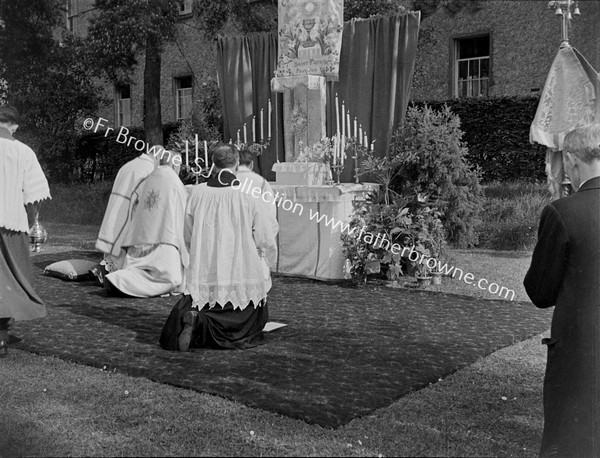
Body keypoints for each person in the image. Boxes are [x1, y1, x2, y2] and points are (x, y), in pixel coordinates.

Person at [524, 123, 600, 458]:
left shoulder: (563, 212)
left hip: (582, 354)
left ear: (570, 160)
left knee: (572, 441)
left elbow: (540, 292)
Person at [160, 144, 277, 350]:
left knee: (199, 300)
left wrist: (194, 249)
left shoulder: (197, 192)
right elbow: (264, 233)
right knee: (250, 316)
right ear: (237, 164)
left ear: (213, 164)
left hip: (206, 268)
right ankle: (201, 322)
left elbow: (187, 231)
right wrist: (264, 254)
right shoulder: (247, 193)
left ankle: (199, 320)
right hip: (240, 265)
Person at [0, 105, 51, 357]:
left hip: (10, 223)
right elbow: (34, 197)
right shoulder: (23, 152)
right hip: (11, 225)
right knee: (13, 279)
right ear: (15, 126)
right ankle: (1, 334)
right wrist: (30, 222)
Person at [104, 151, 188, 298]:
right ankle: (121, 282)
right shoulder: (174, 182)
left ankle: (122, 277)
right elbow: (182, 212)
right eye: (180, 165)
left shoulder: (149, 178)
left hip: (140, 240)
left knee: (139, 268)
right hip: (164, 241)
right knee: (172, 278)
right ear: (175, 164)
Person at [93, 145, 158, 282]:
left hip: (117, 207)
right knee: (127, 253)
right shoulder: (149, 169)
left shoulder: (128, 165)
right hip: (132, 212)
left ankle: (105, 269)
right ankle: (112, 275)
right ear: (157, 157)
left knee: (115, 241)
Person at [235, 148, 278, 237]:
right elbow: (269, 208)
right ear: (251, 164)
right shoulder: (260, 181)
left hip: (234, 227)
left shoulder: (229, 179)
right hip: (255, 227)